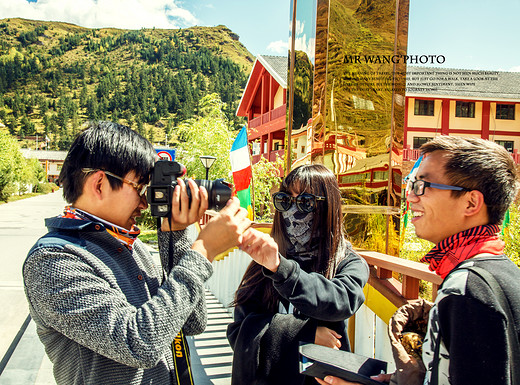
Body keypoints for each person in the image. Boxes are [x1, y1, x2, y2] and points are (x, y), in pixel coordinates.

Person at [23, 121, 251, 384]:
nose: (146, 202)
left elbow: (191, 323)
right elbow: (138, 344)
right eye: (140, 188)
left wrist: (175, 235)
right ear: (99, 184)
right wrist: (204, 250)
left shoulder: (131, 246)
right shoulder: (54, 260)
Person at [315, 136, 520, 385]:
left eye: (422, 186)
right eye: (410, 184)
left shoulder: (465, 289)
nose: (410, 197)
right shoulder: (504, 271)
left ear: (471, 202)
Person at [226, 164, 369, 385]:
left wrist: (282, 270)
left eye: (305, 202)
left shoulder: (347, 261)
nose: (293, 211)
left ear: (328, 206)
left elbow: (340, 301)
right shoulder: (266, 262)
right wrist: (305, 334)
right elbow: (238, 332)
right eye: (285, 200)